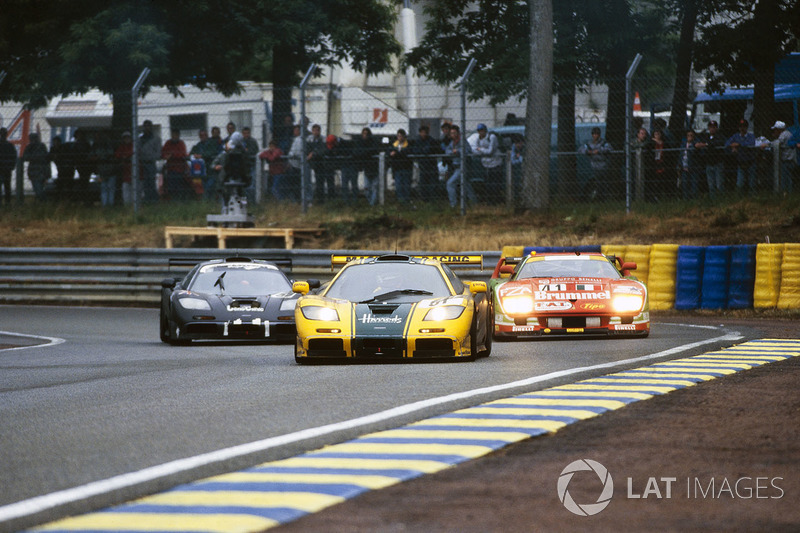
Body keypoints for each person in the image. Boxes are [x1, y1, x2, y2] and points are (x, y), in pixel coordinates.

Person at [578, 126, 613, 201]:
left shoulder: (603, 143)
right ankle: (597, 198)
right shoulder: (589, 143)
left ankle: (604, 198)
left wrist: (599, 151)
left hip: (603, 166)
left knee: (603, 183)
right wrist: (588, 152)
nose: (595, 136)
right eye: (594, 134)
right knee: (596, 183)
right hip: (593, 166)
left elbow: (609, 149)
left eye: (597, 134)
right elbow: (581, 149)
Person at [445, 124, 476, 208]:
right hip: (456, 167)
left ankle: (453, 204)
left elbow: (468, 151)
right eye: (451, 133)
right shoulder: (452, 143)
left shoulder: (462, 141)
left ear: (458, 133)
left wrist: (458, 151)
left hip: (463, 166)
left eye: (454, 133)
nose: (453, 135)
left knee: (450, 184)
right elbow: (447, 151)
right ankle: (474, 202)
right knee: (466, 184)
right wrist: (452, 152)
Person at [473, 123, 503, 204]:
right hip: (486, 164)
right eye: (479, 130)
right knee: (488, 184)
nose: (481, 132)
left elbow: (490, 151)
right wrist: (482, 151)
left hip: (495, 163)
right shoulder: (478, 139)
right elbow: (475, 151)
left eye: (482, 130)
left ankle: (497, 201)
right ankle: (490, 201)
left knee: (495, 184)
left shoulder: (492, 137)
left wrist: (481, 149)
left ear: (485, 130)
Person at [695, 120, 725, 199]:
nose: (712, 129)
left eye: (714, 127)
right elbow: (699, 143)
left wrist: (706, 144)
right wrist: (699, 144)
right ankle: (713, 200)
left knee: (719, 184)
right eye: (710, 127)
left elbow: (717, 143)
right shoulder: (706, 136)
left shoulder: (720, 136)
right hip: (709, 163)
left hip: (718, 163)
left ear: (716, 128)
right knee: (711, 185)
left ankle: (721, 200)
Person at [725, 119, 757, 193]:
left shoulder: (750, 136)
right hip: (741, 162)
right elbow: (727, 143)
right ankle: (740, 199)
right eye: (740, 127)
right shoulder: (736, 136)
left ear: (747, 127)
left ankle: (752, 198)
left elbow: (751, 143)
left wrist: (739, 144)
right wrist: (732, 146)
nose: (742, 128)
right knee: (740, 183)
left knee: (752, 183)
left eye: (744, 126)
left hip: (750, 162)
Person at [190, 129, 222, 201]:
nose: (203, 137)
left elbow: (212, 153)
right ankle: (206, 203)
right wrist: (194, 155)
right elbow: (191, 153)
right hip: (201, 171)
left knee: (210, 187)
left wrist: (202, 156)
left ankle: (210, 202)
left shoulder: (212, 144)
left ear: (207, 136)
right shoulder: (198, 145)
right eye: (201, 135)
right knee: (204, 188)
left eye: (204, 135)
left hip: (211, 170)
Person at [411, 124, 441, 201]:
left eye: (425, 132)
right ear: (420, 133)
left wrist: (423, 151)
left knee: (433, 184)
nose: (424, 134)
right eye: (422, 132)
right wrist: (423, 151)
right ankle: (424, 200)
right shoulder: (418, 141)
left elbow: (431, 150)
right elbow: (415, 151)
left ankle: (433, 200)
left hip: (431, 166)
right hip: (423, 166)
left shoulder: (431, 140)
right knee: (423, 184)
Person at [161, 128, 190, 201]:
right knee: (171, 187)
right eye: (173, 135)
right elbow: (164, 154)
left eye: (176, 135)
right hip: (170, 169)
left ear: (179, 135)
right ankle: (172, 200)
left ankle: (180, 200)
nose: (175, 136)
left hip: (180, 169)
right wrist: (170, 155)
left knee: (179, 187)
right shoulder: (168, 143)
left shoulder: (181, 143)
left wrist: (172, 155)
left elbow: (182, 154)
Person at [353, 127, 379, 205]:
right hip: (366, 168)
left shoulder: (373, 142)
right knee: (367, 188)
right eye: (363, 134)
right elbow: (357, 152)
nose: (365, 136)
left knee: (374, 187)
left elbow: (373, 150)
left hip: (374, 168)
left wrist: (364, 153)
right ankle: (370, 200)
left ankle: (372, 203)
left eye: (366, 134)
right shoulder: (360, 143)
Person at [137, 120, 161, 203]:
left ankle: (154, 200)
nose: (147, 128)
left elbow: (158, 153)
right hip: (142, 164)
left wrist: (149, 157)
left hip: (151, 163)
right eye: (145, 126)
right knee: (144, 183)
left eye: (148, 126)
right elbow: (138, 152)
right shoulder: (140, 140)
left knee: (151, 182)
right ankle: (147, 200)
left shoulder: (156, 139)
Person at [389, 128, 413, 205]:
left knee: (406, 186)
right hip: (397, 168)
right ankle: (401, 201)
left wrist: (396, 154)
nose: (400, 138)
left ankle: (406, 201)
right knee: (398, 186)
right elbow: (389, 152)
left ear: (404, 136)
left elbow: (406, 153)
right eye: (398, 136)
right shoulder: (394, 145)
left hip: (406, 168)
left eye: (401, 136)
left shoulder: (408, 144)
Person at [22, 133, 50, 202]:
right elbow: (25, 157)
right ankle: (43, 201)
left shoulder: (41, 146)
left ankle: (43, 201)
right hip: (35, 171)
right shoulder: (30, 147)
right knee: (37, 189)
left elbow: (46, 157)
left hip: (41, 170)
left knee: (39, 189)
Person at [91, 134, 116, 207]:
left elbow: (115, 157)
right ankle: (104, 205)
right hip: (102, 171)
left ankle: (110, 205)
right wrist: (98, 158)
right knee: (103, 188)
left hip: (111, 170)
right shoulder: (96, 148)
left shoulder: (112, 147)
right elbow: (91, 157)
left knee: (111, 189)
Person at [772, 120, 796, 194]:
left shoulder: (783, 134)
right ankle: (788, 193)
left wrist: (768, 144)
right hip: (791, 159)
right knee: (789, 178)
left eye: (775, 130)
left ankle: (785, 194)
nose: (775, 131)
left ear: (779, 129)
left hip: (787, 160)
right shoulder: (789, 133)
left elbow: (777, 143)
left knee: (785, 179)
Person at [72, 129, 93, 204]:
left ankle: (86, 200)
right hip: (80, 166)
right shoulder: (77, 144)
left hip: (85, 166)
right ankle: (84, 199)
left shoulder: (84, 144)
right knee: (83, 183)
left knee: (84, 183)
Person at [305, 124, 325, 204]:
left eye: (317, 130)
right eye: (314, 130)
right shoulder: (309, 139)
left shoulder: (323, 139)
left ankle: (320, 200)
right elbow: (307, 149)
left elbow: (322, 151)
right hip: (311, 162)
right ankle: (309, 199)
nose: (316, 132)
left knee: (320, 181)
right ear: (312, 131)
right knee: (307, 180)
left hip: (320, 162)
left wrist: (313, 153)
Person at [678, 130, 699, 200]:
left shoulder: (695, 144)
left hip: (693, 167)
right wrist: (679, 165)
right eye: (688, 135)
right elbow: (680, 155)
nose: (689, 137)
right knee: (685, 184)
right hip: (684, 167)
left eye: (691, 135)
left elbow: (694, 152)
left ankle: (694, 199)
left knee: (694, 184)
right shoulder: (683, 144)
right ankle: (685, 199)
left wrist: (692, 145)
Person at [115, 131, 134, 205]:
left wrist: (126, 156)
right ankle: (127, 204)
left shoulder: (133, 146)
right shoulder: (121, 147)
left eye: (128, 137)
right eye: (125, 138)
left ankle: (134, 204)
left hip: (132, 171)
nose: (127, 139)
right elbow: (117, 155)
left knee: (133, 189)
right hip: (125, 172)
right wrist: (124, 157)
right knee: (125, 189)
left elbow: (133, 153)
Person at [241, 126, 260, 200]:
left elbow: (254, 151)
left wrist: (246, 151)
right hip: (243, 166)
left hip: (252, 164)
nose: (246, 135)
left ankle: (252, 200)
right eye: (244, 133)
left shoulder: (253, 141)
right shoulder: (241, 141)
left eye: (247, 133)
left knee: (252, 183)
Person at [285, 124, 303, 202]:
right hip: (293, 164)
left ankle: (297, 199)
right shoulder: (295, 139)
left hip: (296, 165)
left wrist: (291, 155)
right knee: (294, 183)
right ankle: (296, 199)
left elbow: (296, 152)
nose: (294, 132)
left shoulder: (299, 140)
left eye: (296, 130)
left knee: (295, 183)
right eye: (294, 130)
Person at [0, 127, 17, 206]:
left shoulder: (9, 145)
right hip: (7, 168)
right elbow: (14, 156)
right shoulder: (10, 145)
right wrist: (12, 166)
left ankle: (7, 202)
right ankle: (7, 202)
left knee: (6, 186)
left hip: (4, 168)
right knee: (7, 186)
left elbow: (14, 156)